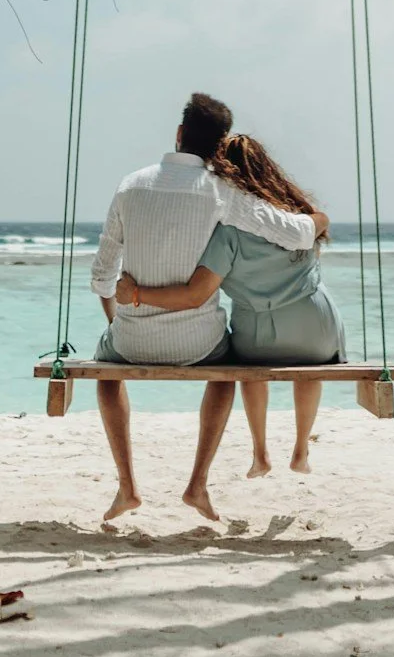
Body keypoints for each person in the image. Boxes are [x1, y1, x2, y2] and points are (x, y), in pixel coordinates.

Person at [88, 94, 325, 522]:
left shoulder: (130, 185)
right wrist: (317, 221)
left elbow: (102, 274)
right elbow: (296, 234)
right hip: (200, 344)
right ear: (219, 146)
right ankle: (197, 485)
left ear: (179, 134)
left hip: (131, 340)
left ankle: (127, 487)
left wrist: (119, 319)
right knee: (224, 374)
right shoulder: (222, 191)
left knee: (107, 375)